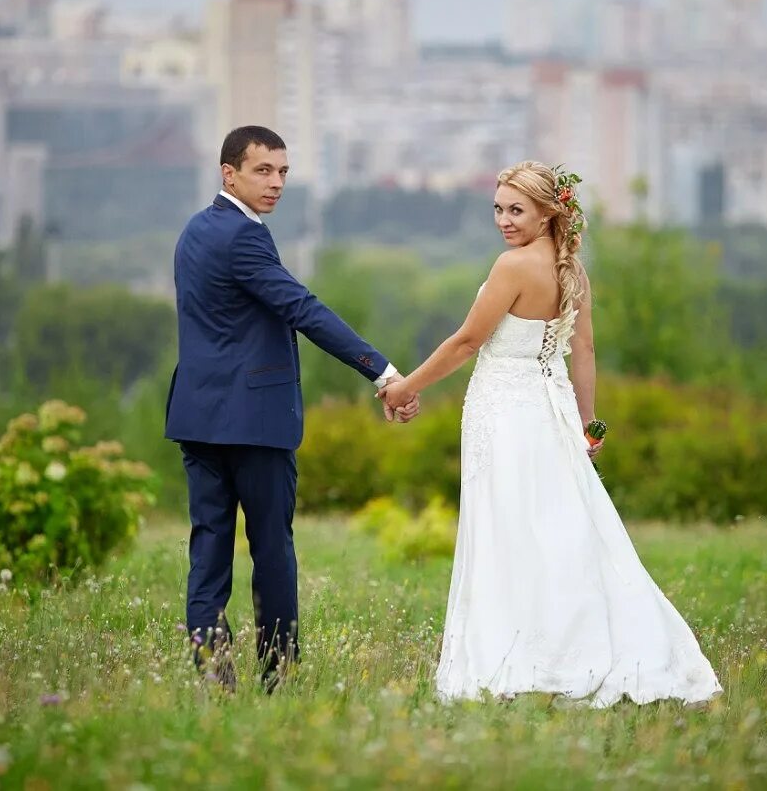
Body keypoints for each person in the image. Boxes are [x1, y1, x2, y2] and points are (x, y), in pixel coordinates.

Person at [379, 161, 722, 707]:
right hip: (552, 412)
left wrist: (404, 388)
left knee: (510, 529)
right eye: (498, 208)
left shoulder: (512, 267)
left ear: (547, 213)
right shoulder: (572, 274)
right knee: (562, 529)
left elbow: (468, 342)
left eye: (517, 209)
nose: (504, 220)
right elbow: (582, 353)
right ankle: (563, 647)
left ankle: (519, 656)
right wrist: (590, 426)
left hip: (507, 415)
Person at [166, 125, 419, 692]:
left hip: (199, 417)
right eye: (263, 171)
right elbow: (302, 308)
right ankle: (279, 677)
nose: (276, 182)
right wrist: (382, 370)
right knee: (272, 552)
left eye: (283, 171)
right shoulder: (244, 236)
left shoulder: (194, 231)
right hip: (254, 422)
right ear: (228, 173)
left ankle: (214, 679)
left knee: (207, 549)